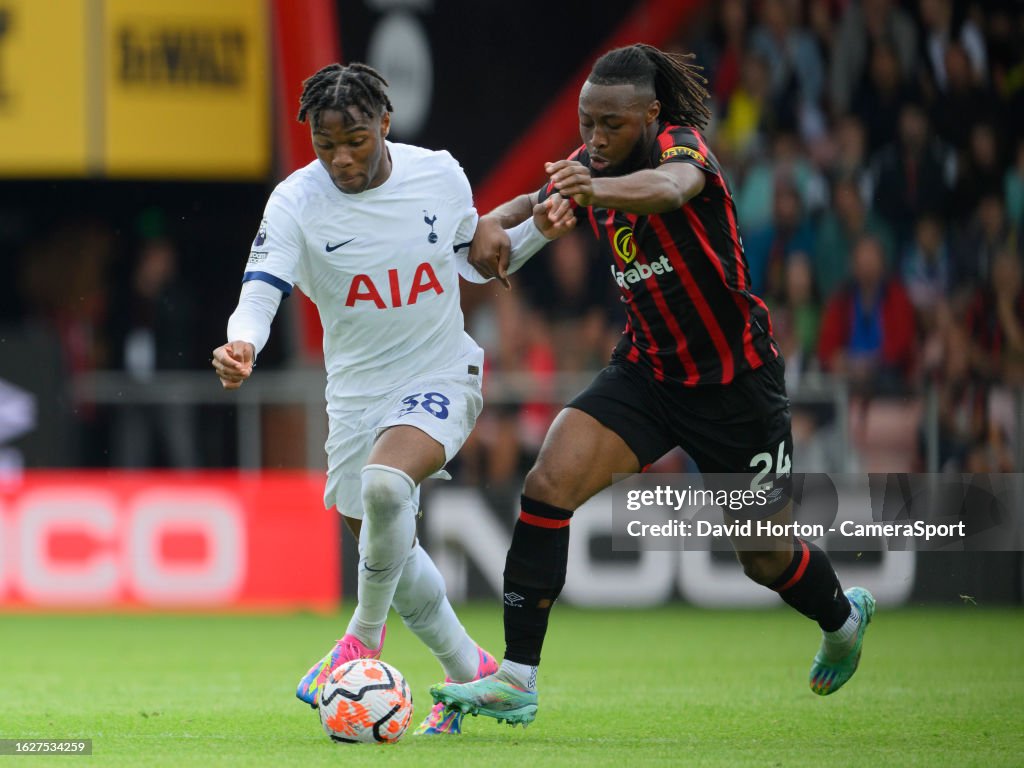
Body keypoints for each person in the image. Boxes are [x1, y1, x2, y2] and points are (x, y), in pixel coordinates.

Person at [431, 44, 874, 727]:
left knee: (762, 556)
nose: (594, 140)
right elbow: (532, 200)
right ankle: (518, 677)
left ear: (650, 115)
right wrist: (489, 223)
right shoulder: (590, 167)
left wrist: (591, 187)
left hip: (736, 383)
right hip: (648, 371)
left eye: (611, 125)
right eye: (586, 125)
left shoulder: (683, 150)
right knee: (549, 481)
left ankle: (843, 621)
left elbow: (669, 190)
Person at [211, 62, 570, 735]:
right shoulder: (296, 201)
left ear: (384, 121)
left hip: (440, 374)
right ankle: (469, 671)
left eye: (355, 139)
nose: (342, 158)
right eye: (326, 145)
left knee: (384, 488)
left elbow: (482, 257)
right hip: (354, 400)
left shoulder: (437, 173)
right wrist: (243, 345)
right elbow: (261, 289)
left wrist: (541, 229)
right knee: (394, 555)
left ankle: (361, 638)